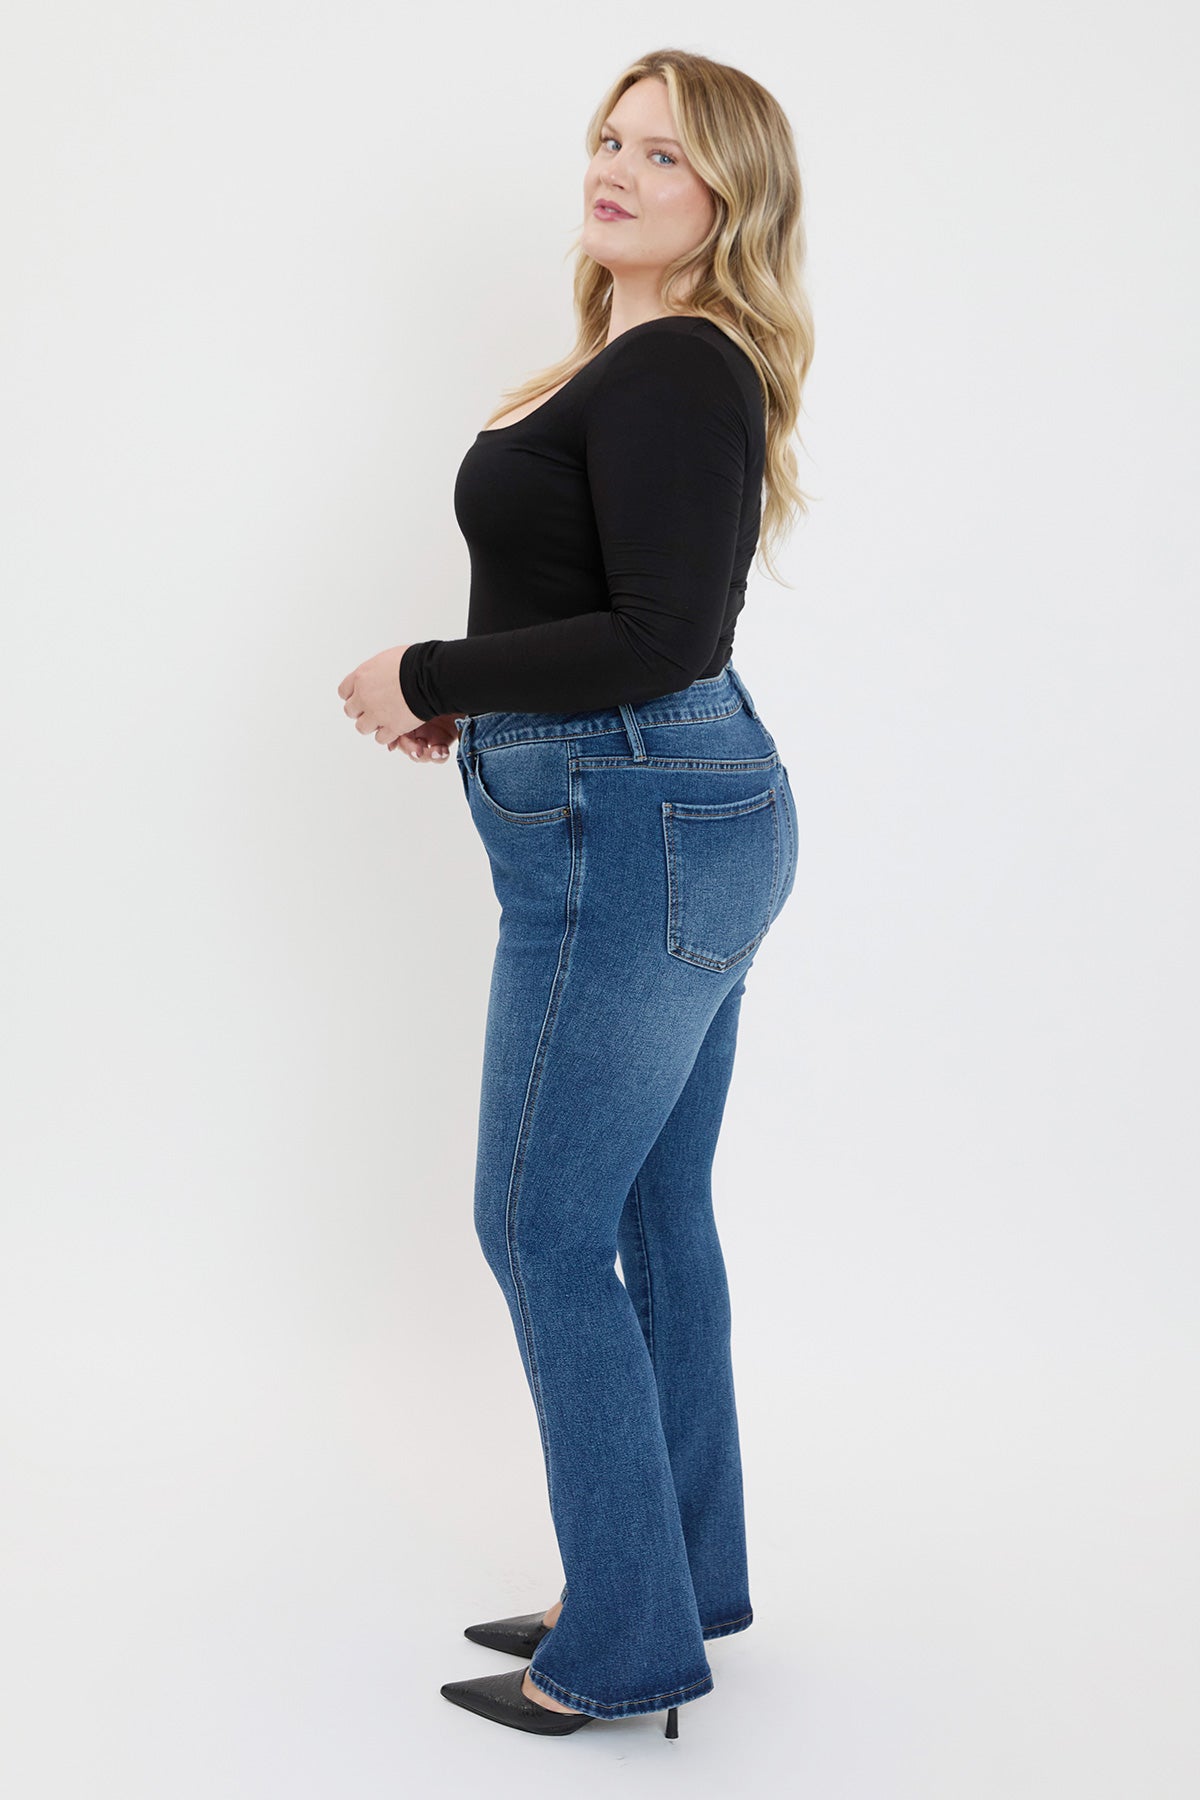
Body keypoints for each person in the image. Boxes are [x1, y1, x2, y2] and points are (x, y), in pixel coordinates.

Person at [337, 47, 814, 1739]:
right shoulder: (642, 357)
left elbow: (661, 635)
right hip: (670, 806)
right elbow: (610, 610)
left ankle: (619, 1644)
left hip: (633, 820)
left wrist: (431, 669)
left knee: (540, 1227)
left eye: (665, 154)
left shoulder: (679, 363)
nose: (619, 167)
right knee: (650, 1212)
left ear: (729, 196)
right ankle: (673, 1575)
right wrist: (485, 704)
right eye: (611, 137)